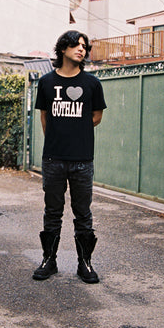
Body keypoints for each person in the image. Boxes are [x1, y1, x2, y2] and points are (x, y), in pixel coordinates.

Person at [32, 30, 106, 283]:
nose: (81, 49)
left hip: (82, 160)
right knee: (52, 211)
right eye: (76, 45)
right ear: (63, 49)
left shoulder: (92, 84)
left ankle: (85, 264)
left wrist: (76, 130)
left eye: (84, 46)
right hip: (53, 159)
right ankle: (49, 261)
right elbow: (44, 117)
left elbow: (96, 116)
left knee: (83, 213)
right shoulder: (46, 82)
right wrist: (58, 137)